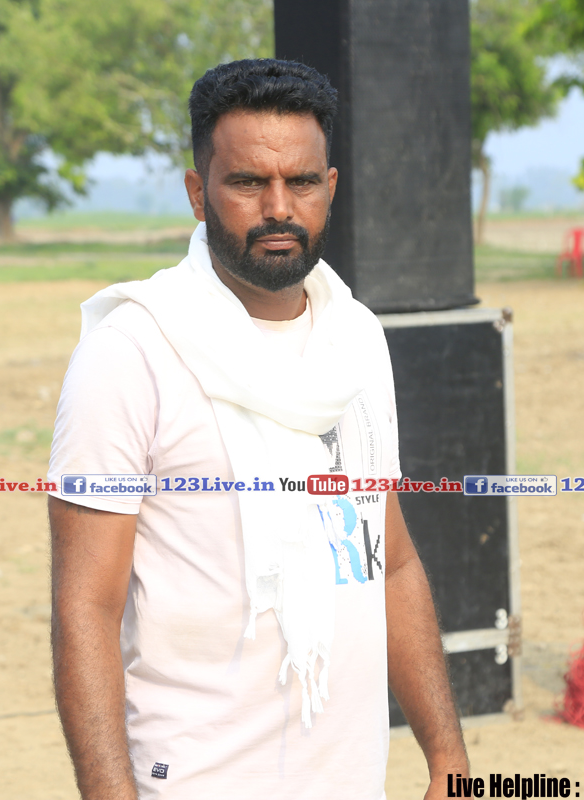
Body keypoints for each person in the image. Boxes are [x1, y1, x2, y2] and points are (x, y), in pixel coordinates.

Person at [48, 59, 469, 799]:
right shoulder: (133, 352)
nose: (279, 208)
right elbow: (86, 607)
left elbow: (391, 562)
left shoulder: (356, 340)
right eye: (247, 182)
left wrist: (448, 759)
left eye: (300, 182)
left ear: (329, 187)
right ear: (197, 192)